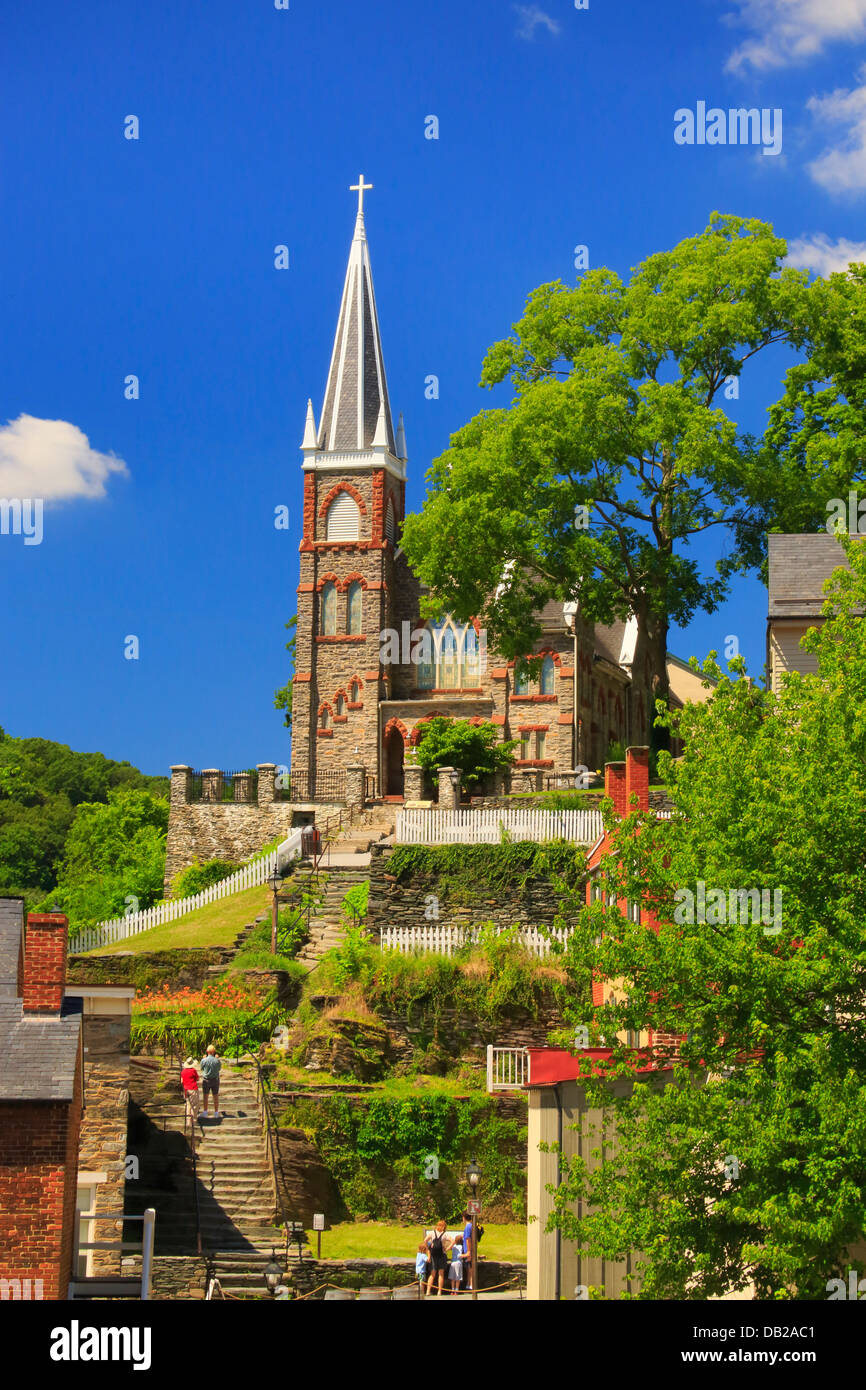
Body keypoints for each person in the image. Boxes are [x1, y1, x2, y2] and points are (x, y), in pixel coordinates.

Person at [425, 1220, 452, 1297]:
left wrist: (428, 1251)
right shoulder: (445, 1234)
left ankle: (428, 1291)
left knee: (432, 1274)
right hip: (442, 1255)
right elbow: (453, 1241)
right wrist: (447, 1249)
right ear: (444, 1226)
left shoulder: (432, 1233)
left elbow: (425, 1241)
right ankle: (439, 1291)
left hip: (433, 1255)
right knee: (441, 1274)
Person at [200, 1044, 222, 1118]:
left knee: (205, 1096)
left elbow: (201, 1068)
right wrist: (217, 1059)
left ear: (207, 1051)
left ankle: (205, 1111)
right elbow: (219, 1069)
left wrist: (203, 1059)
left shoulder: (204, 1060)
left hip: (206, 1080)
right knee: (215, 1096)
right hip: (215, 1080)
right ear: (214, 1052)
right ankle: (216, 1112)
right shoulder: (217, 1061)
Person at [181, 1056, 201, 1124]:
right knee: (194, 1105)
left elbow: (182, 1081)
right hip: (192, 1088)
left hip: (185, 1089)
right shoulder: (193, 1071)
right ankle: (194, 1120)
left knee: (188, 1105)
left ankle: (188, 1121)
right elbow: (197, 1079)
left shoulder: (183, 1071)